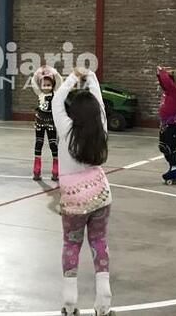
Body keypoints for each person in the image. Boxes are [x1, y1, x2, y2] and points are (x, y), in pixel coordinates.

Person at [52, 67, 112, 316]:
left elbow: (57, 100)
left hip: (74, 198)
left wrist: (73, 78)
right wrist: (91, 76)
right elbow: (99, 101)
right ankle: (104, 298)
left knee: (71, 243)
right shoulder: (101, 127)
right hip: (101, 192)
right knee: (99, 241)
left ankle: (69, 300)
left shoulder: (66, 130)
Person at [30, 65, 63, 181]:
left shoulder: (55, 93)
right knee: (38, 143)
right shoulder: (39, 93)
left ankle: (56, 170)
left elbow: (59, 81)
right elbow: (33, 82)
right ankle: (36, 170)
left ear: (52, 85)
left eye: (49, 85)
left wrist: (54, 72)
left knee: (53, 144)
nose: (46, 87)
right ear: (40, 86)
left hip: (51, 122)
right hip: (40, 121)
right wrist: (38, 72)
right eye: (44, 85)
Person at [156, 66, 176, 184]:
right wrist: (159, 74)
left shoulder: (174, 89)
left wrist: (162, 71)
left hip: (174, 124)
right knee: (163, 146)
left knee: (170, 147)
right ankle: (173, 167)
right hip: (166, 123)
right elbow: (163, 82)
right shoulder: (168, 91)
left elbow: (166, 81)